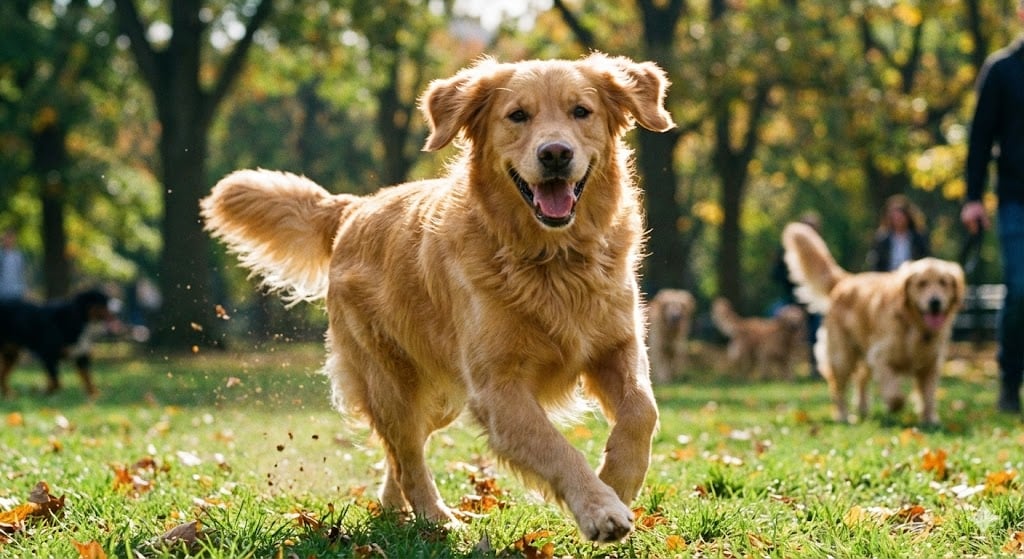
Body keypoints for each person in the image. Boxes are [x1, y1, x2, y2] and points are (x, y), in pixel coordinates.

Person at [961, 1, 1024, 414]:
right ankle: (1008, 379)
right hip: (1016, 199)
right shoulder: (1001, 69)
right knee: (1020, 289)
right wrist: (972, 197)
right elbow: (980, 137)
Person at [772, 211, 822, 378]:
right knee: (774, 317)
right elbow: (775, 275)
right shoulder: (785, 250)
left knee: (818, 326)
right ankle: (777, 367)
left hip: (814, 300)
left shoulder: (820, 252)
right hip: (790, 298)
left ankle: (816, 367)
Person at [865, 194, 930, 272]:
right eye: (894, 217)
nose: (897, 219)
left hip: (912, 277)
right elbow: (875, 263)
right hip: (887, 277)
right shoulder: (882, 238)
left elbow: (925, 259)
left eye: (900, 216)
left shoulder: (918, 237)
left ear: (907, 216)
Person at [0, 229, 27, 300]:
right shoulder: (1, 255)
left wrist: (24, 289)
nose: (9, 240)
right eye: (7, 238)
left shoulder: (18, 255)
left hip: (17, 291)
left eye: (11, 238)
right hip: (3, 292)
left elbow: (22, 273)